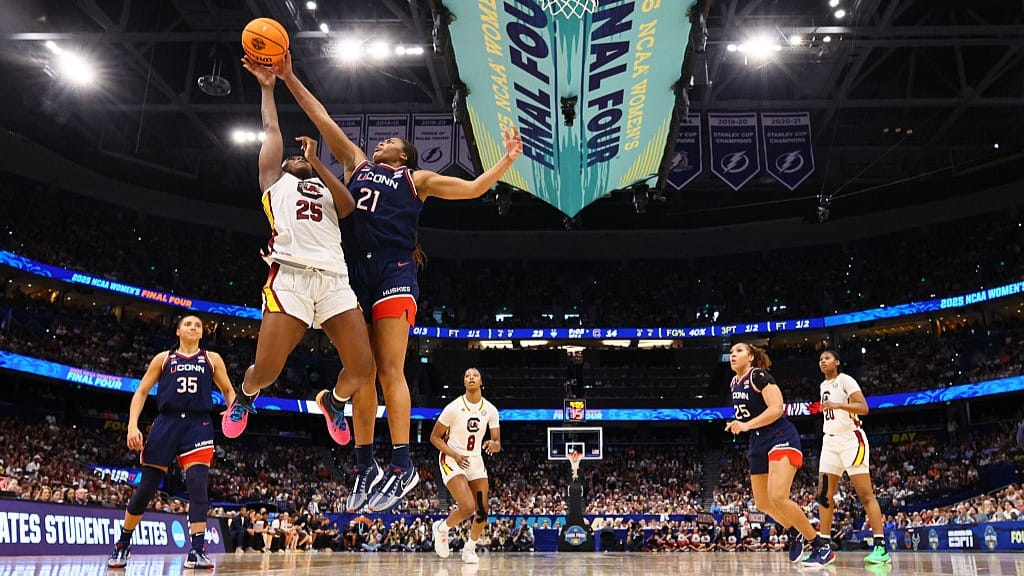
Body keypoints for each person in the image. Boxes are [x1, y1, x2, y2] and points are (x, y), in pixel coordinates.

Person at [271, 52, 522, 512]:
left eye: (389, 140)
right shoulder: (357, 163)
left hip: (394, 271)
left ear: (403, 154)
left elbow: (471, 190)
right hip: (353, 272)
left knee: (390, 369)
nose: (380, 141)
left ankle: (403, 461)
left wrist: (506, 161)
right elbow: (321, 115)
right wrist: (288, 75)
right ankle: (364, 460)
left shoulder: (417, 178)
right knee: (363, 372)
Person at [221, 57, 374, 446]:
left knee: (362, 368)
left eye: (298, 158)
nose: (293, 157)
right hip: (290, 277)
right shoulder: (274, 182)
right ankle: (245, 396)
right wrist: (267, 87)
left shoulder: (325, 186)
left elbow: (348, 206)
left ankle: (334, 403)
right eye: (292, 158)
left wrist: (316, 162)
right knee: (268, 371)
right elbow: (271, 129)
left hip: (335, 279)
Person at [107, 316, 236, 569]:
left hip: (198, 425)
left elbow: (229, 390)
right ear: (178, 331)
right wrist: (132, 425)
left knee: (199, 487)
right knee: (145, 490)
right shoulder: (163, 358)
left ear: (202, 333)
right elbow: (142, 391)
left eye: (198, 325)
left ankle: (197, 550)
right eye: (188, 324)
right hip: (166, 423)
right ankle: (123, 543)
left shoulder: (212, 359)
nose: (193, 327)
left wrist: (233, 411)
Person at [724, 342, 834, 567]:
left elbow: (777, 408)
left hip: (780, 435)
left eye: (739, 351)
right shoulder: (734, 382)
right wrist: (743, 425)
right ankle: (795, 530)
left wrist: (744, 425)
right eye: (731, 352)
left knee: (777, 496)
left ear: (751, 357)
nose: (733, 355)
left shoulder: (759, 376)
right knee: (763, 503)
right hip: (757, 441)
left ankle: (821, 546)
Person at [815, 350, 891, 564]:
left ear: (837, 362)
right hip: (830, 441)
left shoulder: (845, 380)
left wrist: (839, 405)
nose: (823, 361)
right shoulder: (823, 386)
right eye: (820, 359)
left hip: (851, 440)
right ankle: (824, 547)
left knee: (865, 494)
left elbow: (863, 408)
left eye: (827, 358)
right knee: (823, 495)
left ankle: (880, 547)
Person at [429, 368, 501, 564]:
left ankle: (469, 549)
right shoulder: (453, 408)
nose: (471, 378)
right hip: (452, 458)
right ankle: (442, 528)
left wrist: (493, 445)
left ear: (481, 382)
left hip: (475, 460)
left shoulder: (491, 410)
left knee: (483, 511)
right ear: (464, 382)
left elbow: (497, 442)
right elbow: (434, 437)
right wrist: (455, 454)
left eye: (475, 375)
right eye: (467, 375)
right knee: (468, 506)